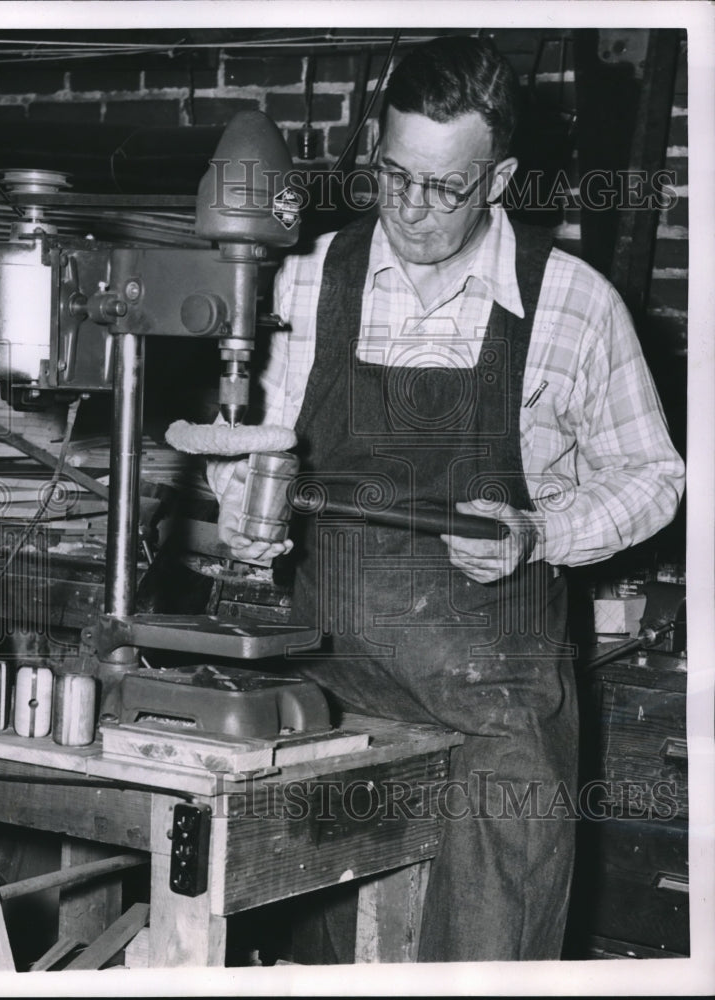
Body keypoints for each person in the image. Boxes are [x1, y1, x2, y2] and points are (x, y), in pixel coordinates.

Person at [207, 35, 685, 962]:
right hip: (324, 706)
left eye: (445, 187)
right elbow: (248, 452)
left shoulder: (572, 304)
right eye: (394, 176)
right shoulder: (304, 281)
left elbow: (656, 474)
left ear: (499, 176)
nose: (412, 210)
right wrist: (245, 511)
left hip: (493, 724)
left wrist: (546, 532)